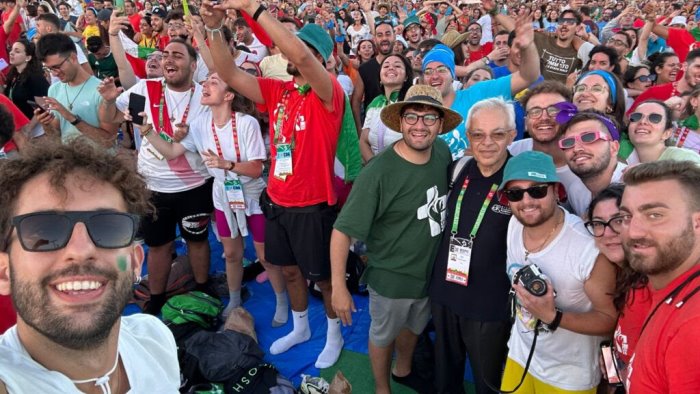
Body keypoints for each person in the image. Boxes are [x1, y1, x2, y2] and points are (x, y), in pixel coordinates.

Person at [202, 2, 346, 369]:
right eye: (300, 48)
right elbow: (227, 71)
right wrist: (217, 28)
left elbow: (297, 52)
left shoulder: (328, 93)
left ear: (324, 61)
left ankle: (334, 333)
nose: (298, 54)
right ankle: (301, 327)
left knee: (324, 280)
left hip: (314, 205)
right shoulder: (278, 92)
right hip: (277, 199)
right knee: (291, 271)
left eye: (311, 52)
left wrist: (254, 8)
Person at [0, 140, 180, 392]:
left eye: (108, 227)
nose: (81, 251)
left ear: (135, 261)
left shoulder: (154, 339)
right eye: (44, 231)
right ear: (4, 273)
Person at [130, 72, 289, 326]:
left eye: (214, 82)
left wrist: (227, 164)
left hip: (251, 194)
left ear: (228, 96)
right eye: (206, 81)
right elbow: (171, 152)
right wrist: (146, 129)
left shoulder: (246, 123)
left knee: (265, 254)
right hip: (222, 194)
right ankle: (234, 299)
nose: (205, 84)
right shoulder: (200, 125)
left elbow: (258, 169)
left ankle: (281, 302)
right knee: (231, 253)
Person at [331, 85, 460, 394]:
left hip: (429, 272)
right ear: (400, 122)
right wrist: (338, 287)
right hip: (391, 277)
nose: (420, 125)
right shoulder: (378, 171)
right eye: (412, 116)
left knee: (414, 326)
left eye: (429, 118)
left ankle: (403, 369)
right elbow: (342, 230)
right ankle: (381, 388)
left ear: (440, 125)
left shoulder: (442, 152)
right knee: (382, 334)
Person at [98, 39, 214, 315]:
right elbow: (111, 119)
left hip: (195, 184)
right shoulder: (145, 89)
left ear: (193, 64)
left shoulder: (203, 97)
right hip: (154, 185)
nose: (169, 60)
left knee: (197, 240)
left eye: (178, 55)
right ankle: (157, 299)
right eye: (165, 56)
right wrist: (108, 100)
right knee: (158, 246)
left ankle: (202, 288)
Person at [499, 151, 618, 393]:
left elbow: (609, 320)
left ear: (557, 192)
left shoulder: (586, 249)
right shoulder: (514, 224)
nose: (526, 201)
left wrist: (554, 317)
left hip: (567, 376)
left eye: (537, 190)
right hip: (520, 356)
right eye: (515, 193)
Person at [430, 98, 516, 394]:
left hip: (489, 304)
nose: (487, 143)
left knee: (487, 382)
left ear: (512, 135)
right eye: (478, 134)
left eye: (498, 134)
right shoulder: (458, 169)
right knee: (446, 377)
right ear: (469, 138)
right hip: (444, 292)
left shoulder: (519, 181)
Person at [618, 161, 700, 392]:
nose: (633, 232)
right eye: (626, 216)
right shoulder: (662, 283)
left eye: (655, 215)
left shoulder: (693, 327)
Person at [422, 11, 540, 160]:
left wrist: (528, 46)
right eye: (428, 71)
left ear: (453, 75)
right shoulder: (419, 111)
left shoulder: (478, 93)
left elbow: (528, 76)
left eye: (441, 70)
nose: (434, 76)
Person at [584, 184, 652, 387]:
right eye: (598, 223)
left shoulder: (653, 284)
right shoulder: (620, 278)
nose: (607, 232)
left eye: (618, 221)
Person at [35, 33, 118, 147]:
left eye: (57, 67)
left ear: (73, 58)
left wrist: (71, 117)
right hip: (71, 162)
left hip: (101, 163)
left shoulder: (103, 91)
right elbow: (56, 135)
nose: (54, 73)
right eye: (49, 69)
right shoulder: (54, 90)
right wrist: (45, 124)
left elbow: (109, 141)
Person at [560, 110, 627, 216]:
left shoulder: (635, 185)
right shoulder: (575, 192)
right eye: (568, 142)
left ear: (614, 148)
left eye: (589, 137)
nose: (577, 148)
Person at [359, 53, 412, 162]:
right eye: (386, 66)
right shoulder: (375, 102)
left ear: (406, 76)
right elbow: (363, 140)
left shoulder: (412, 103)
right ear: (380, 78)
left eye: (397, 66)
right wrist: (374, 167)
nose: (391, 68)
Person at [626, 100, 700, 165]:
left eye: (655, 118)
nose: (643, 122)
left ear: (667, 133)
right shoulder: (620, 158)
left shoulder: (685, 159)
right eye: (636, 116)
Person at [629, 48, 700, 113]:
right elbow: (628, 119)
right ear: (685, 66)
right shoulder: (654, 92)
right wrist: (664, 106)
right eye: (698, 67)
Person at [5, 39, 50, 119]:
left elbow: (43, 108)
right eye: (11, 50)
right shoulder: (14, 74)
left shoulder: (35, 78)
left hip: (36, 128)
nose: (11, 53)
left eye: (17, 51)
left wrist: (28, 129)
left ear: (28, 57)